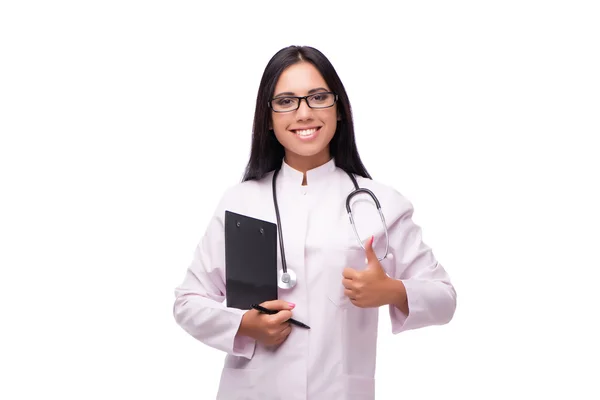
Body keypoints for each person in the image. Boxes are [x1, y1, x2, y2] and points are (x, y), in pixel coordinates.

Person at [173, 45, 457, 400]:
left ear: (340, 110)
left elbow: (444, 297)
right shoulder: (241, 201)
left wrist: (393, 291)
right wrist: (245, 325)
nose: (304, 112)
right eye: (286, 101)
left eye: (318, 97)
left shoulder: (381, 203)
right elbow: (188, 302)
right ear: (269, 117)